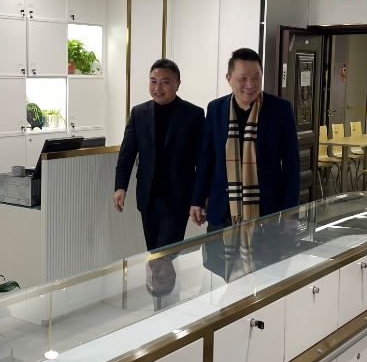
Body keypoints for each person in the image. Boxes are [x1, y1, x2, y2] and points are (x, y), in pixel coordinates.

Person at [190, 48, 300, 232]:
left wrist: (290, 210)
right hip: (222, 209)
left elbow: (292, 164)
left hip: (266, 210)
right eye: (243, 78)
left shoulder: (280, 109)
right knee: (217, 252)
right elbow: (206, 159)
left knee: (267, 252)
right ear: (228, 79)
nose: (250, 85)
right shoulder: (216, 109)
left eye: (256, 78)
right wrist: (197, 199)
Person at [114, 59, 205, 251]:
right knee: (154, 253)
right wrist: (120, 186)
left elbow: (202, 161)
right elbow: (127, 153)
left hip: (178, 199)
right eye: (153, 81)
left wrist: (201, 197)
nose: (158, 88)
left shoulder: (193, 114)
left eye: (165, 82)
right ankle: (161, 273)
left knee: (164, 254)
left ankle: (163, 273)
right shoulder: (139, 113)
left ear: (177, 84)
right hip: (148, 198)